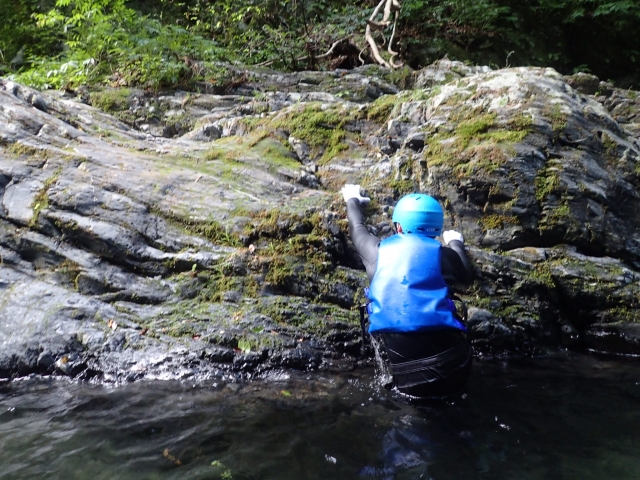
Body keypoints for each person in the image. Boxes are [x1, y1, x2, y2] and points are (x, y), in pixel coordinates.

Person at [341, 184, 474, 399]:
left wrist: (352, 199)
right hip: (452, 359)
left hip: (406, 366)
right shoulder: (446, 256)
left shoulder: (377, 251)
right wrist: (456, 243)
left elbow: (357, 228)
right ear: (436, 230)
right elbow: (466, 278)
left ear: (399, 227)